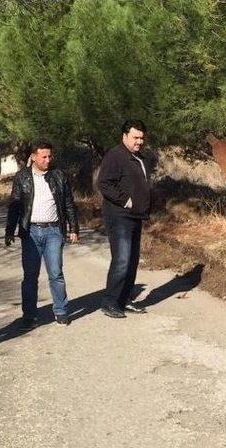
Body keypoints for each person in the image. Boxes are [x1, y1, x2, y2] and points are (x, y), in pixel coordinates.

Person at [5, 140, 79, 328]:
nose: (48, 160)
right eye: (44, 156)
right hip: (30, 232)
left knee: (56, 272)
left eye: (50, 156)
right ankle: (29, 315)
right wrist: (9, 230)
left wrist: (73, 228)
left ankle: (61, 311)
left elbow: (69, 204)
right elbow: (14, 205)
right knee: (30, 275)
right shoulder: (22, 177)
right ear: (33, 156)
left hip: (54, 230)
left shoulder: (59, 175)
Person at [98, 120, 151, 318]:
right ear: (124, 136)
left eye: (142, 137)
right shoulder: (115, 156)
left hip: (136, 216)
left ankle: (125, 300)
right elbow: (104, 183)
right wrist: (125, 201)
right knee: (121, 260)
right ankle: (110, 302)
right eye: (135, 137)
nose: (139, 141)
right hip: (119, 216)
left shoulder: (138, 158)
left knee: (132, 260)